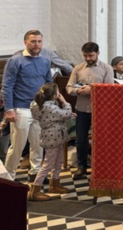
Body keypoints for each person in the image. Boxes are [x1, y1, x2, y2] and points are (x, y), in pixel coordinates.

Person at [2, 30, 53, 181]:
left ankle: (35, 173)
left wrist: (49, 104)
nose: (36, 44)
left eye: (39, 41)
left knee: (38, 144)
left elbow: (49, 85)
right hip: (20, 108)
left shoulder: (45, 61)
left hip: (39, 108)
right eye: (33, 41)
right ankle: (8, 177)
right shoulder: (15, 60)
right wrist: (9, 109)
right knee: (17, 146)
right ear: (25, 42)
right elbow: (6, 86)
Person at [66, 42, 114, 179]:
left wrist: (92, 90)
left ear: (98, 53)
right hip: (81, 109)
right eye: (85, 55)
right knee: (81, 140)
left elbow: (110, 90)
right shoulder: (78, 68)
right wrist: (79, 91)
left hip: (100, 110)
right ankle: (81, 167)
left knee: (100, 139)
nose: (88, 58)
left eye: (91, 55)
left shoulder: (106, 68)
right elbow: (69, 88)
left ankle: (101, 167)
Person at [27, 83, 73, 201]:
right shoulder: (51, 107)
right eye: (58, 92)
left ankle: (54, 185)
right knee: (48, 164)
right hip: (53, 136)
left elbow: (53, 116)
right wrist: (65, 102)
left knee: (59, 160)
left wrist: (66, 114)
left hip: (55, 135)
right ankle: (35, 191)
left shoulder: (41, 105)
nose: (59, 94)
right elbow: (66, 113)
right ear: (54, 95)